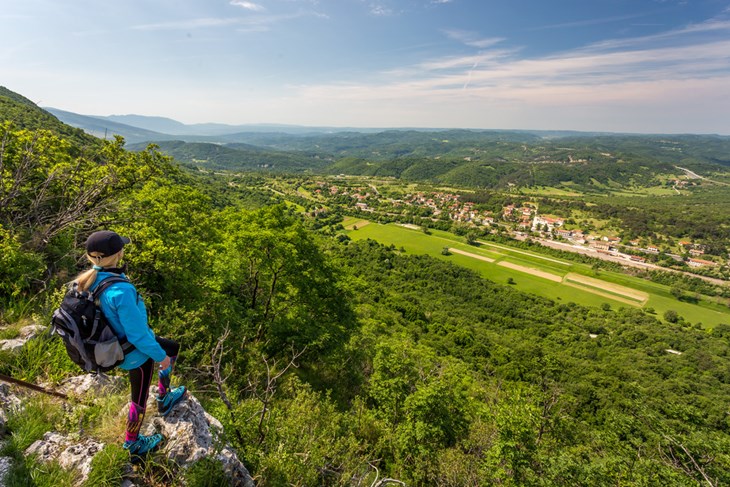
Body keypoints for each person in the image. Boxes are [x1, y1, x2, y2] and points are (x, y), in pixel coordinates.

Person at [74, 230, 187, 458]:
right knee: (139, 397)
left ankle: (164, 397)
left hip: (113, 344)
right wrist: (161, 358)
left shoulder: (88, 280)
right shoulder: (120, 291)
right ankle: (133, 443)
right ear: (119, 254)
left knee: (172, 346)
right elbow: (138, 336)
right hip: (134, 354)